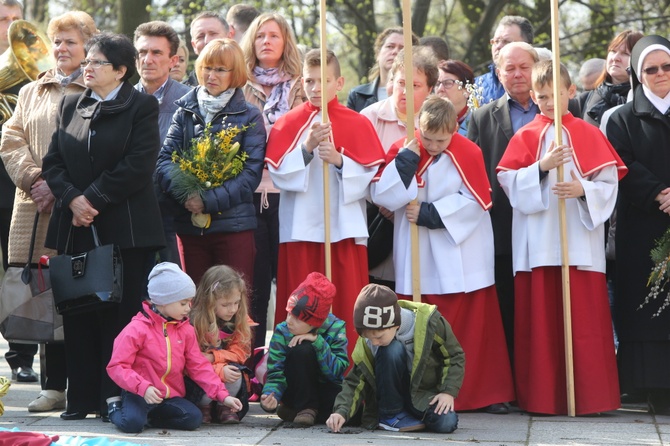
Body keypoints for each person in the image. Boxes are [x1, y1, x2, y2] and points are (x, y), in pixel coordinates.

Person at [41, 32, 165, 421]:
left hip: (126, 230)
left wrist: (91, 198)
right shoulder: (70, 104)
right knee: (78, 312)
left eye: (96, 62)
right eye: (88, 61)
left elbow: (139, 164)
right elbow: (53, 163)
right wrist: (73, 199)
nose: (87, 68)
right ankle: (81, 399)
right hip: (77, 226)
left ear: (121, 70)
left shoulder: (141, 106)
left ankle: (114, 397)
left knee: (120, 316)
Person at [370, 95, 514, 414]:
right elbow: (381, 195)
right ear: (418, 128)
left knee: (473, 328)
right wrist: (404, 167)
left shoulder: (468, 151)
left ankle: (482, 393)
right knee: (418, 324)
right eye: (428, 138)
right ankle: (421, 393)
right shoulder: (405, 150)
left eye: (441, 140)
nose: (433, 146)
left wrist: (432, 213)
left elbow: (477, 202)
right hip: (417, 253)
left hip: (460, 253)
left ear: (455, 129)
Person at [497, 60, 625, 415]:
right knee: (541, 324)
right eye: (541, 97)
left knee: (584, 323)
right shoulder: (525, 136)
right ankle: (543, 397)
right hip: (537, 244)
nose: (548, 103)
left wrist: (582, 189)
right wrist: (540, 167)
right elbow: (508, 182)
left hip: (579, 245)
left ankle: (590, 398)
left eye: (555, 95)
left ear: (571, 92)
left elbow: (609, 183)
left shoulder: (588, 132)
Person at [0, 9, 97, 411]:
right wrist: (33, 179)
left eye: (70, 41)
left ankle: (86, 386)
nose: (60, 48)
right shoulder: (31, 90)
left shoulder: (98, 90)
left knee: (76, 295)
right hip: (33, 207)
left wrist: (58, 186)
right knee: (43, 295)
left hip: (76, 206)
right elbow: (11, 138)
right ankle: (52, 386)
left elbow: (98, 147)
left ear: (89, 46)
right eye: (57, 41)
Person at [265, 49, 385, 356]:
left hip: (342, 228)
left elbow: (371, 175)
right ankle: (295, 377)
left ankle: (349, 372)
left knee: (345, 302)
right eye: (309, 81)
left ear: (339, 82)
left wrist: (340, 160)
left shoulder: (357, 123)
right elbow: (279, 174)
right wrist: (306, 149)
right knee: (300, 304)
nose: (316, 88)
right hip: (301, 228)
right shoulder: (287, 123)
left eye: (324, 80)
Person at [156, 38, 265, 286]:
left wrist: (206, 200)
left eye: (220, 69)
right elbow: (164, 162)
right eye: (207, 67)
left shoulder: (250, 115)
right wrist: (187, 194)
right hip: (190, 228)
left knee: (232, 308)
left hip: (234, 228)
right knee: (195, 308)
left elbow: (249, 175)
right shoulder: (183, 110)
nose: (211, 75)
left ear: (234, 73)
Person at [606, 35, 670, 415]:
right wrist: (660, 193)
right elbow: (620, 164)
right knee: (648, 306)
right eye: (651, 68)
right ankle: (652, 386)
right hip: (642, 224)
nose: (660, 74)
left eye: (667, 66)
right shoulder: (620, 118)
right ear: (637, 74)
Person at [467, 42, 540, 365]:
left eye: (524, 67)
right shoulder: (482, 117)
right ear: (498, 73)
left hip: (547, 223)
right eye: (509, 68)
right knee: (506, 306)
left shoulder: (561, 109)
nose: (518, 74)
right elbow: (471, 173)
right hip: (501, 227)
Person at [106, 262, 243, 433]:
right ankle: (115, 408)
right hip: (140, 394)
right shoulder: (136, 329)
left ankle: (149, 419)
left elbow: (198, 366)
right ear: (163, 301)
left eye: (189, 302)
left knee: (193, 419)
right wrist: (143, 387)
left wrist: (224, 396)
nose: (188, 309)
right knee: (132, 424)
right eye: (183, 303)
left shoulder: (186, 330)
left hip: (170, 397)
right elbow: (117, 366)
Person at [241, 12, 305, 350]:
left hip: (289, 193)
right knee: (253, 284)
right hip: (247, 193)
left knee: (291, 282)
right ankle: (250, 360)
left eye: (274, 36)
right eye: (260, 35)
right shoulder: (238, 80)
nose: (267, 41)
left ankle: (288, 358)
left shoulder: (301, 83)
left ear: (285, 42)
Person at [326, 284, 463, 433]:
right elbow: (355, 380)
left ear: (395, 324)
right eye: (368, 338)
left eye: (378, 337)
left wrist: (447, 392)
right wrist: (340, 411)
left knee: (447, 423)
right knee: (391, 349)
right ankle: (390, 416)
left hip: (422, 396)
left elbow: (454, 356)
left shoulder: (431, 323)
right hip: (388, 401)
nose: (374, 343)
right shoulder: (369, 340)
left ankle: (411, 419)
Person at [361, 47, 438, 289]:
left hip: (419, 229)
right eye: (401, 82)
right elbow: (357, 171)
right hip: (374, 222)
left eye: (415, 85)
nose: (405, 91)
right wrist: (383, 199)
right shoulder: (369, 118)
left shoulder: (437, 124)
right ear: (391, 81)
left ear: (430, 89)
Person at [0, 0, 38, 385]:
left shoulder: (33, 74)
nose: (11, 29)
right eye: (3, 20)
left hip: (18, 189)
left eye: (16, 20)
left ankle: (22, 354)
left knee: (22, 271)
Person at [134, 21, 192, 270]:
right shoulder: (121, 99)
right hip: (131, 215)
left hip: (176, 216)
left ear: (173, 60)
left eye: (156, 53)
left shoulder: (191, 100)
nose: (148, 59)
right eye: (142, 52)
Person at [260, 272, 348, 426]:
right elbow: (275, 372)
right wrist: (271, 396)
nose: (289, 321)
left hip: (324, 389)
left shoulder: (336, 328)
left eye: (297, 318)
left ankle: (295, 412)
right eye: (289, 313)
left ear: (315, 323)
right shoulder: (282, 331)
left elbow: (337, 373)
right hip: (296, 390)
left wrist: (318, 342)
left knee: (351, 411)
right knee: (301, 350)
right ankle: (305, 408)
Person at [189, 264, 253, 424]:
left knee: (235, 374)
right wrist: (217, 370)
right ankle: (204, 407)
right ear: (209, 301)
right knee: (201, 381)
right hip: (201, 374)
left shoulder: (240, 320)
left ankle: (224, 407)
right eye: (225, 305)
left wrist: (214, 358)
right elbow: (191, 360)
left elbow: (240, 353)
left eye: (236, 303)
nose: (232, 309)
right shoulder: (194, 322)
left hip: (222, 368)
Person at [578, 30, 643, 127]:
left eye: (625, 53)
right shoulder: (584, 99)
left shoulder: (646, 101)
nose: (615, 58)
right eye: (613, 51)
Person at [347, 27, 419, 112]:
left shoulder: (421, 94)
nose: (395, 51)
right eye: (390, 46)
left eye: (402, 48)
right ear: (378, 53)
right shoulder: (357, 95)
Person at [474, 15, 534, 105]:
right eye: (496, 41)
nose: (498, 47)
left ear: (527, 45)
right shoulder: (477, 85)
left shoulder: (546, 83)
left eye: (507, 42)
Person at [185, 12, 229, 86]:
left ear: (229, 38)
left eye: (213, 34)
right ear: (194, 45)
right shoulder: (182, 93)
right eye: (200, 36)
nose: (207, 41)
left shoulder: (247, 86)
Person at [435, 59, 475, 135]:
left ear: (467, 90)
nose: (440, 89)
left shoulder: (479, 122)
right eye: (437, 84)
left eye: (448, 83)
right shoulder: (426, 118)